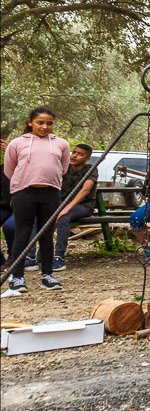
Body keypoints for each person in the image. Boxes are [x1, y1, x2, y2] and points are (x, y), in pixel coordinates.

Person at [2, 108, 71, 292]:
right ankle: (17, 278)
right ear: (30, 122)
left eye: (49, 123)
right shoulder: (17, 143)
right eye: (40, 122)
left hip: (50, 193)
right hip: (24, 193)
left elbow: (63, 168)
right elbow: (10, 169)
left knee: (46, 234)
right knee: (22, 233)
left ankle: (47, 275)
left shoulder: (61, 143)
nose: (45, 126)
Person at [49, 143, 97, 271]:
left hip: (83, 206)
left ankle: (59, 256)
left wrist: (66, 208)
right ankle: (30, 257)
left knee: (63, 218)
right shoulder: (65, 167)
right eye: (74, 152)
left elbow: (85, 190)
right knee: (39, 216)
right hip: (61, 204)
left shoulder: (90, 169)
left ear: (87, 159)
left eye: (80, 154)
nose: (74, 156)